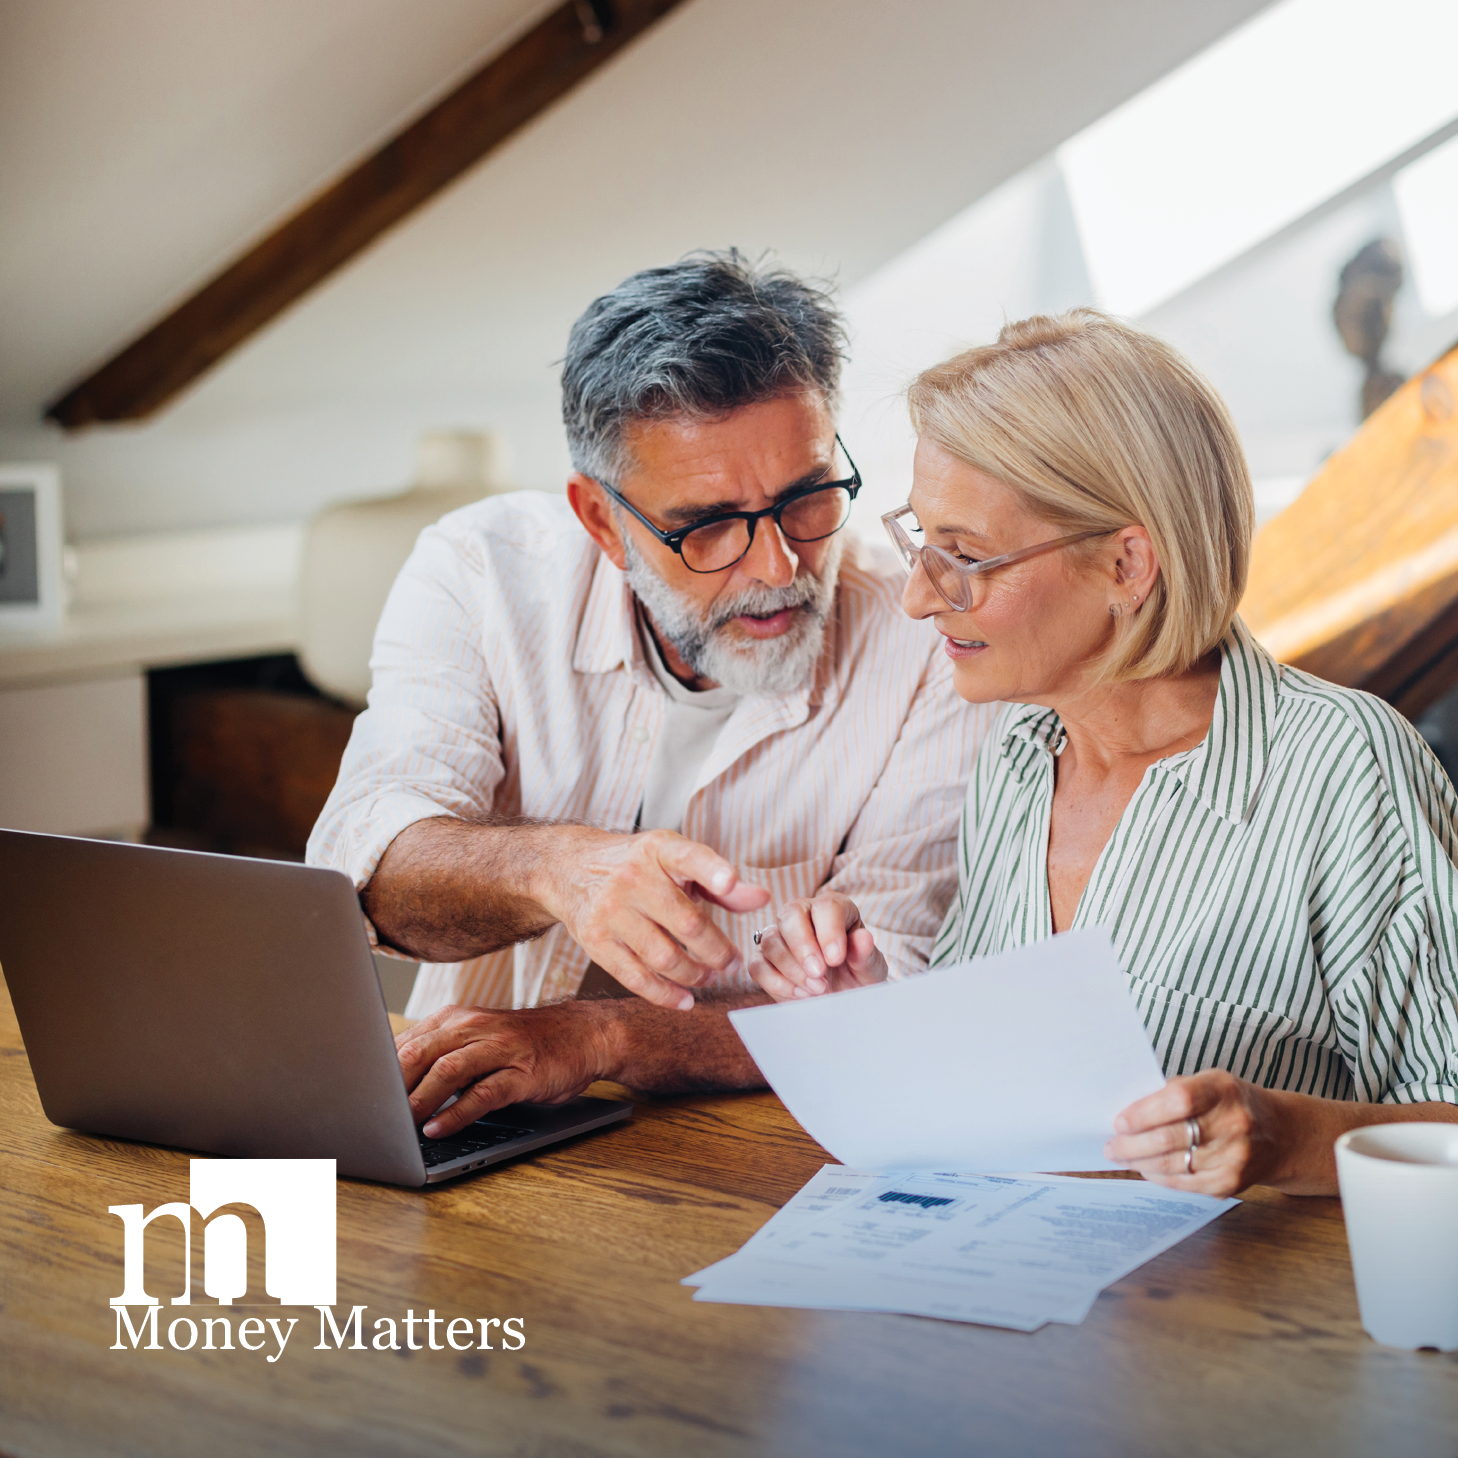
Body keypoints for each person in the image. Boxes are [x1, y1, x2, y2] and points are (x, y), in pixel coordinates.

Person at [750, 309, 1458, 1198]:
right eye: (922, 542)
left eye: (963, 555)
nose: (920, 598)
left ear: (1127, 566)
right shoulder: (1016, 752)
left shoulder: (1347, 772)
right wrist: (867, 1008)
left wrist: (1287, 1138)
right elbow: (1004, 1086)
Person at [307, 252, 995, 1137]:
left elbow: (890, 993)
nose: (779, 567)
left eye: (809, 498)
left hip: (772, 1152)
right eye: (709, 527)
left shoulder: (927, 640)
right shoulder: (481, 573)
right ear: (600, 520)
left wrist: (599, 1038)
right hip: (474, 1140)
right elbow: (365, 869)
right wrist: (558, 869)